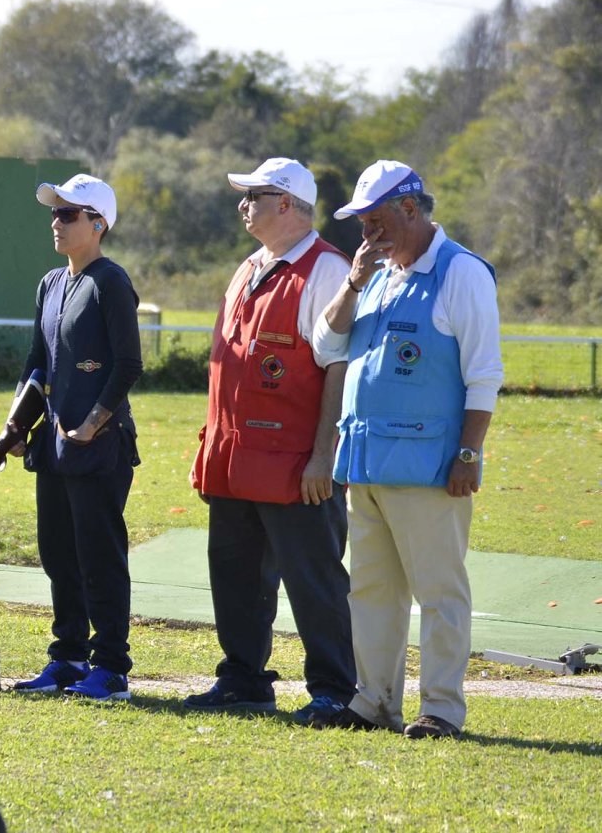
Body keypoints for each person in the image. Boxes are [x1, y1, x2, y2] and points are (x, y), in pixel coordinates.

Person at [313, 160, 502, 739]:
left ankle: (441, 708)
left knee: (439, 592)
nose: (367, 233)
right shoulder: (373, 274)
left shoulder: (460, 272)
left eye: (376, 220)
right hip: (365, 463)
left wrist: (468, 455)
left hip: (429, 468)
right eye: (362, 222)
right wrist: (353, 282)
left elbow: (483, 374)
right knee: (372, 591)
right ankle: (374, 701)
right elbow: (325, 344)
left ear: (411, 209)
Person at [184, 158, 357, 724]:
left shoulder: (326, 269)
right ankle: (243, 681)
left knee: (314, 580)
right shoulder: (249, 266)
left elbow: (338, 369)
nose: (243, 205)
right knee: (234, 577)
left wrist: (323, 457)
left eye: (253, 196)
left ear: (286, 203)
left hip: (296, 465)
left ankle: (334, 689)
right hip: (235, 459)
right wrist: (211, 446)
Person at [6, 174, 143, 702]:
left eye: (68, 214)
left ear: (98, 224)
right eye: (54, 213)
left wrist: (94, 422)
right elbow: (36, 363)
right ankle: (67, 657)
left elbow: (128, 364)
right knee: (59, 555)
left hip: (100, 446)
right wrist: (15, 427)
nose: (56, 223)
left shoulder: (111, 281)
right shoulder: (49, 283)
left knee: (99, 558)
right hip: (55, 445)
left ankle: (110, 667)